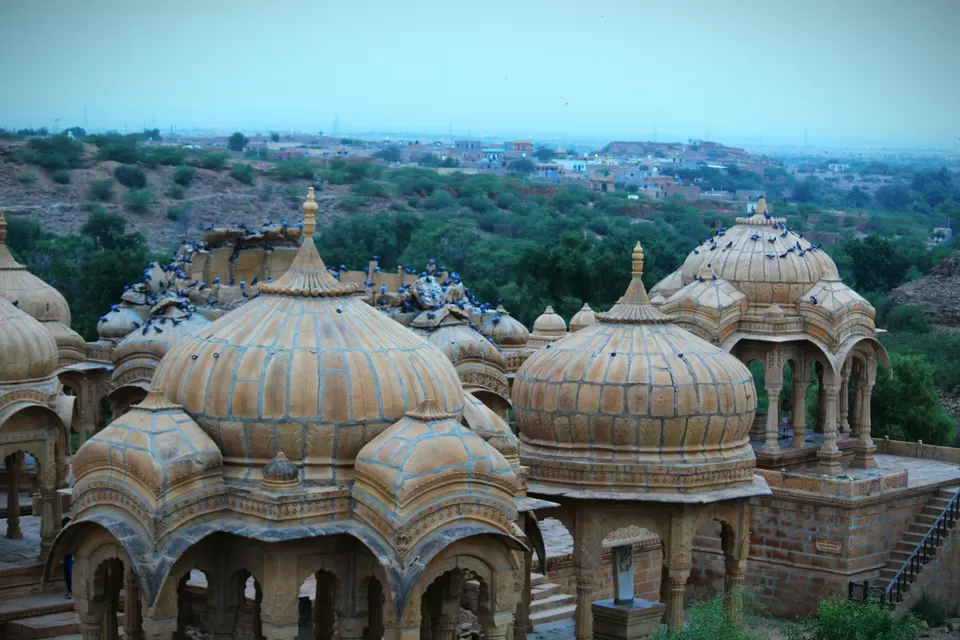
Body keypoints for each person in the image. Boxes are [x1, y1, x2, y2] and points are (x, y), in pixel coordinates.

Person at [61, 517, 73, 598]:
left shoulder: (75, 532)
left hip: (76, 555)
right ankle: (70, 591)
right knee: (68, 573)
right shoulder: (62, 534)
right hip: (68, 556)